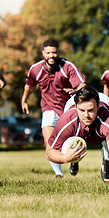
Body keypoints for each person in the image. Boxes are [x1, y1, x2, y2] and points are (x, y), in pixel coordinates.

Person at [21, 39, 86, 177]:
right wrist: (24, 100)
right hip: (48, 108)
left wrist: (76, 92)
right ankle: (58, 174)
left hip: (68, 109)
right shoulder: (35, 69)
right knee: (49, 140)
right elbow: (29, 86)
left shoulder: (67, 66)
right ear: (43, 53)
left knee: (70, 140)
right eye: (48, 53)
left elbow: (82, 85)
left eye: (54, 52)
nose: (51, 55)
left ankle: (74, 161)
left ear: (58, 52)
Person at [46, 86, 109, 182]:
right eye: (82, 110)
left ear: (97, 106)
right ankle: (74, 161)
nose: (86, 115)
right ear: (76, 107)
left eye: (91, 110)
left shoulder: (108, 119)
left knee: (108, 142)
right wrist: (65, 158)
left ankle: (107, 159)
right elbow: (49, 151)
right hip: (74, 118)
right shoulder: (66, 120)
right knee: (71, 141)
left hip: (104, 106)